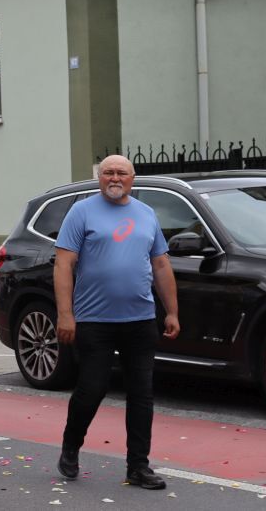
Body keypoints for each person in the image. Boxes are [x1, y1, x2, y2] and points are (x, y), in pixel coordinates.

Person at [54, 155, 180, 491]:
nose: (114, 177)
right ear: (99, 178)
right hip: (94, 320)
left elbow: (161, 265)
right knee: (92, 388)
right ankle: (71, 445)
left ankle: (138, 466)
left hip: (140, 320)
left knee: (141, 394)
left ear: (132, 178)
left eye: (121, 173)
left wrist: (171, 311)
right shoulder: (81, 212)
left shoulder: (146, 214)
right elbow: (64, 264)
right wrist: (65, 314)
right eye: (108, 172)